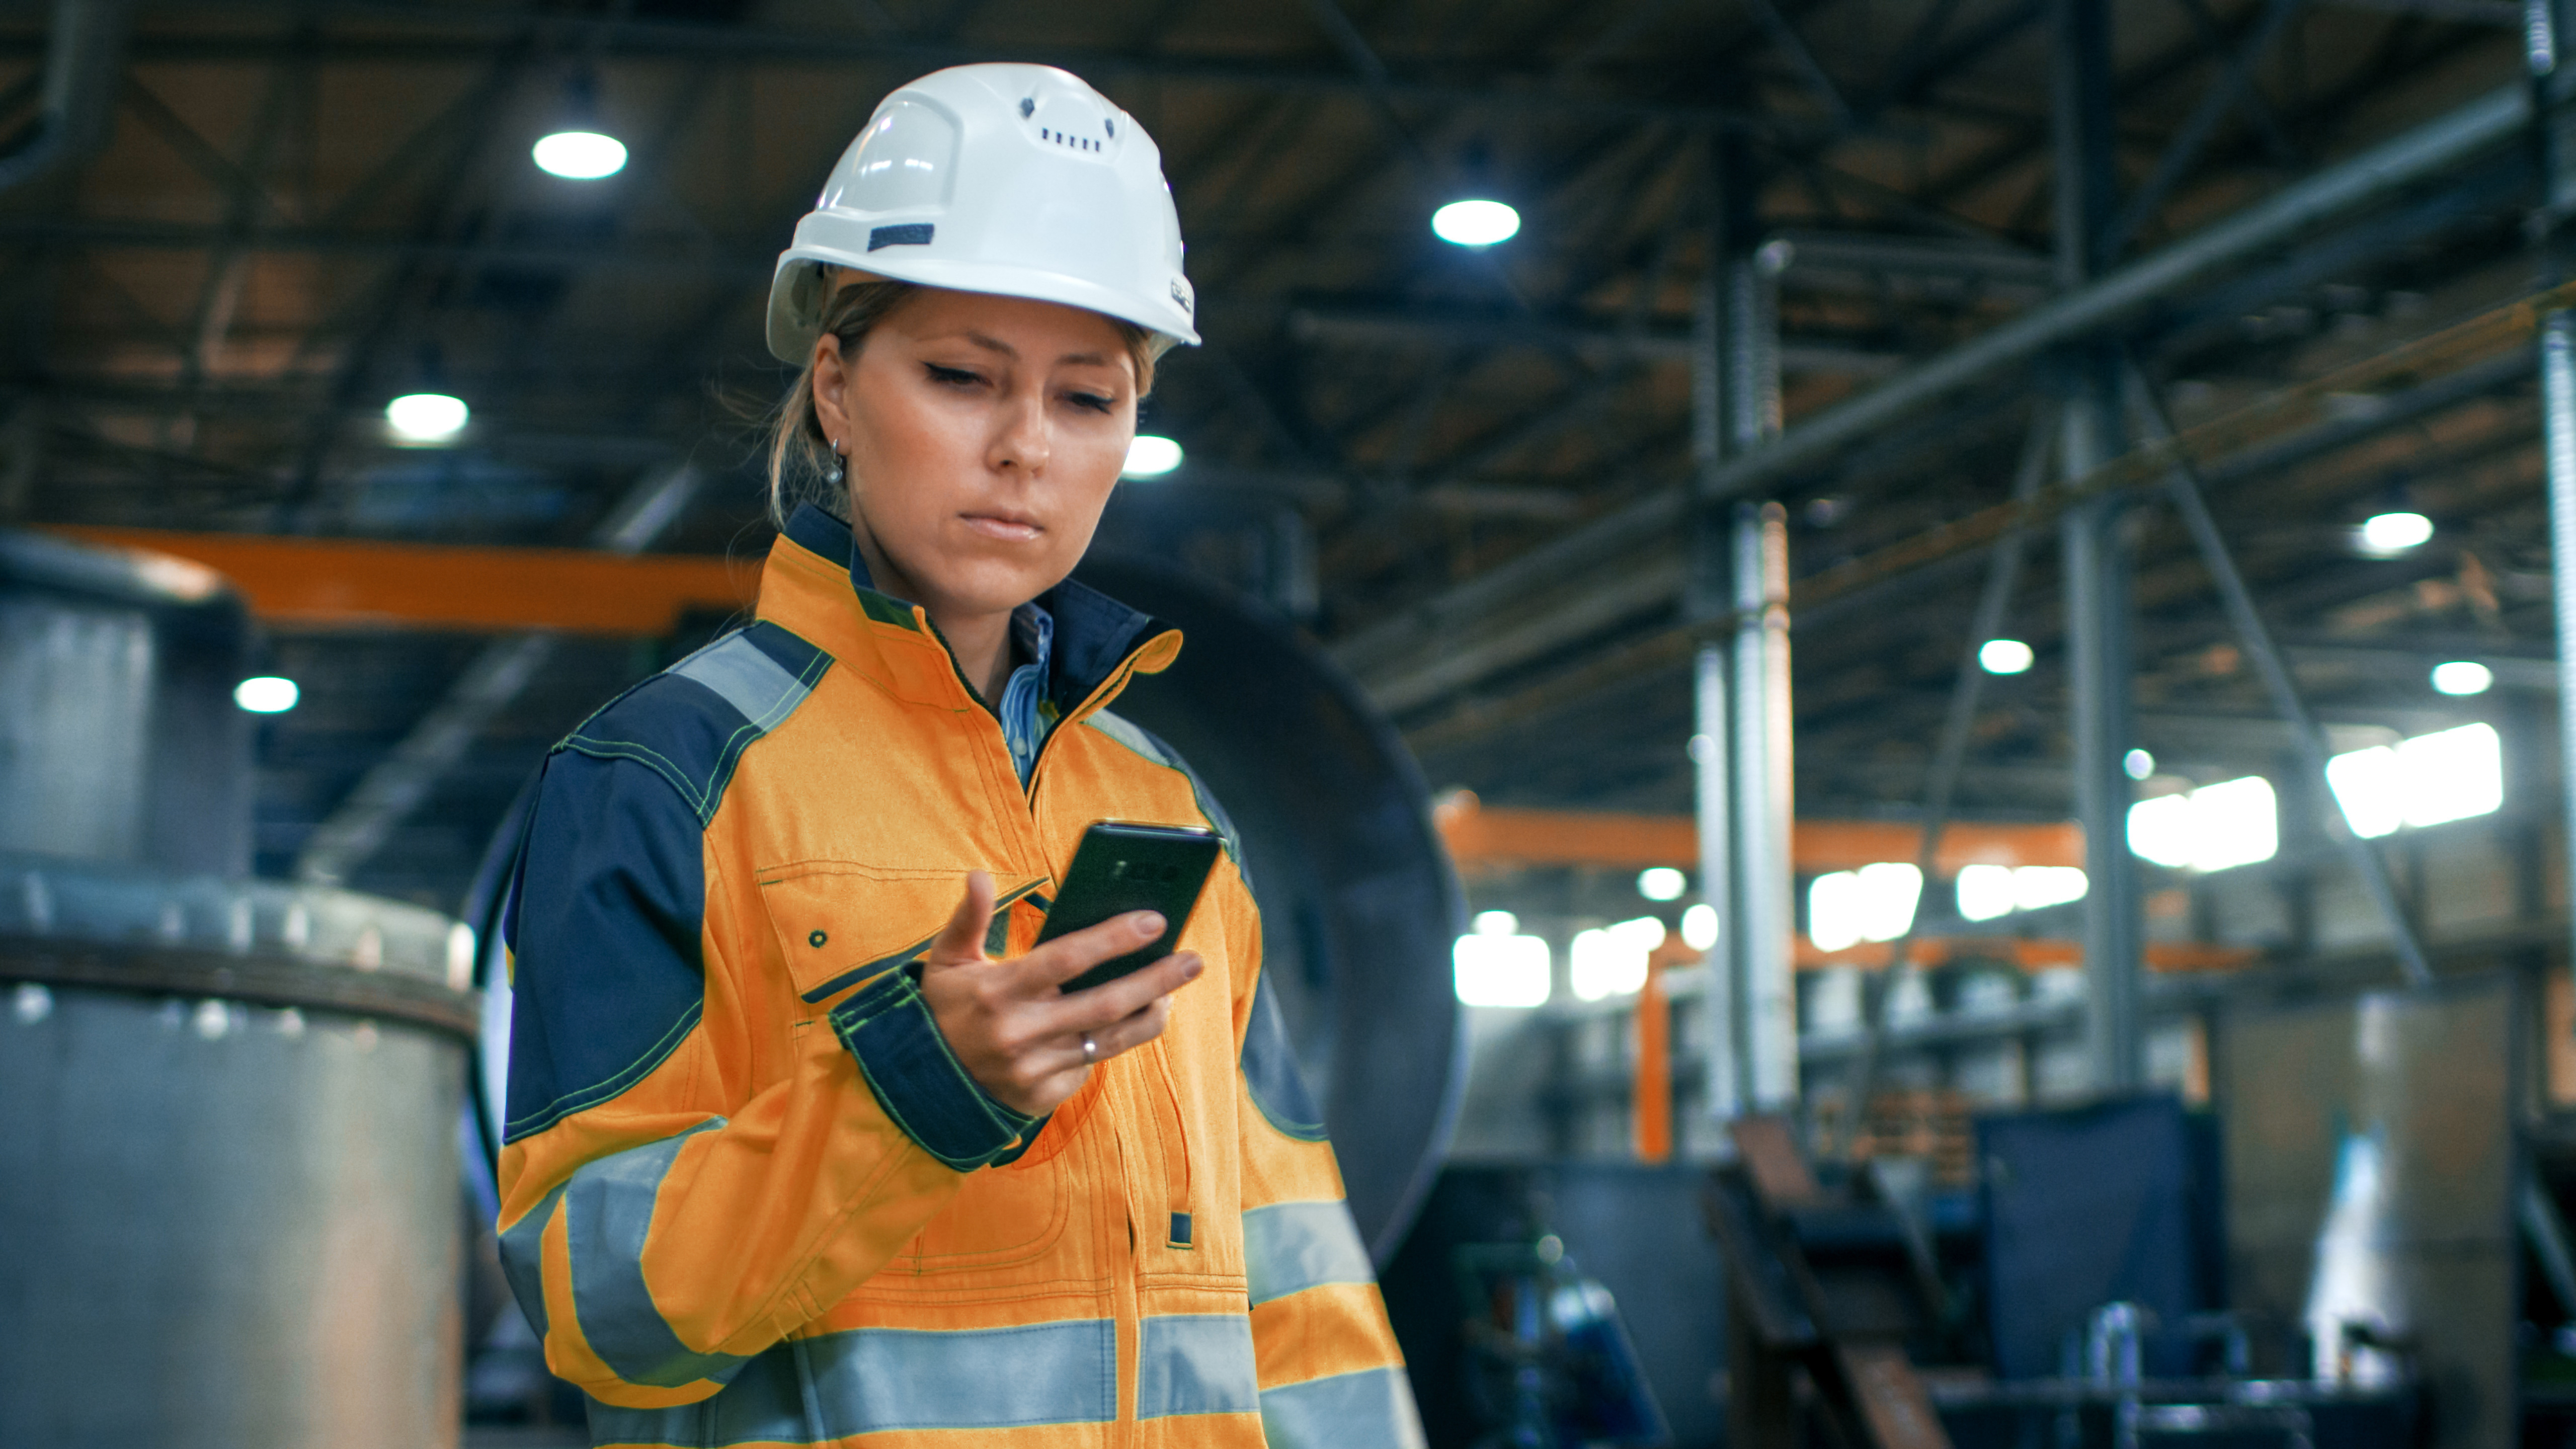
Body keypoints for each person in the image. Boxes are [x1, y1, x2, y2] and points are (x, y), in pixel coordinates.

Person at [494, 63, 1423, 1448]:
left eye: (1087, 400)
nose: (1024, 450)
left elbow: (1297, 1280)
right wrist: (908, 1094)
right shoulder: (661, 780)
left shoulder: (1166, 806)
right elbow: (596, 1310)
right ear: (835, 392)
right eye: (958, 377)